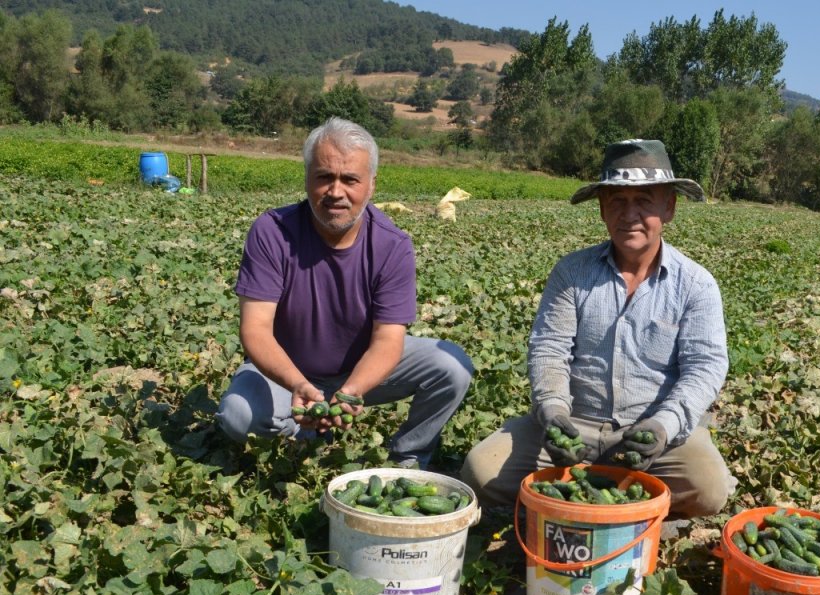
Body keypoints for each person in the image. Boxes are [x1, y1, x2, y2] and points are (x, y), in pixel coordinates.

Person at [461, 138, 734, 517]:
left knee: (708, 489)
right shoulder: (572, 273)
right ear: (602, 209)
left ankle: (582, 496)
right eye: (617, 201)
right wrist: (554, 413)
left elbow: (704, 368)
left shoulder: (695, 284)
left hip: (652, 431)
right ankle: (606, 494)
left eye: (644, 201)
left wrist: (662, 427)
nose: (629, 214)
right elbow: (550, 350)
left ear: (668, 207)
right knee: (482, 472)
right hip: (576, 424)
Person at [216, 117, 473, 469]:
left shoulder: (392, 245)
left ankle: (409, 455)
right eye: (324, 177)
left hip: (359, 365)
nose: (336, 192)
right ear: (307, 178)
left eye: (350, 179)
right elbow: (255, 330)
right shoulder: (272, 232)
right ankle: (302, 435)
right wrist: (297, 383)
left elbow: (387, 341)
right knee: (237, 415)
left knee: (451, 367)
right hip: (285, 370)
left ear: (371, 185)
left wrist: (352, 390)